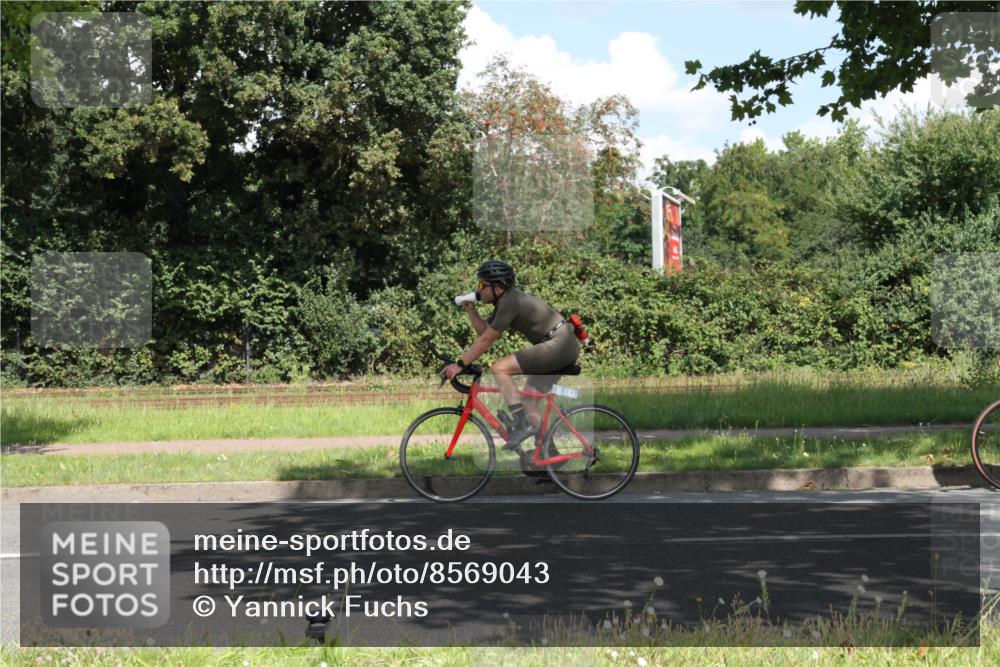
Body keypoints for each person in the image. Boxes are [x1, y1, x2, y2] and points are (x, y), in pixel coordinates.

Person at [441, 259, 580, 455]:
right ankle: (551, 455)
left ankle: (522, 425)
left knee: (500, 368)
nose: (478, 289)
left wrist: (460, 364)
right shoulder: (505, 302)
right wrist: (472, 311)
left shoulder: (510, 302)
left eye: (482, 285)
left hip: (559, 345)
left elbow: (486, 340)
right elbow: (484, 331)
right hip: (561, 344)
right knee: (529, 401)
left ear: (497, 287)